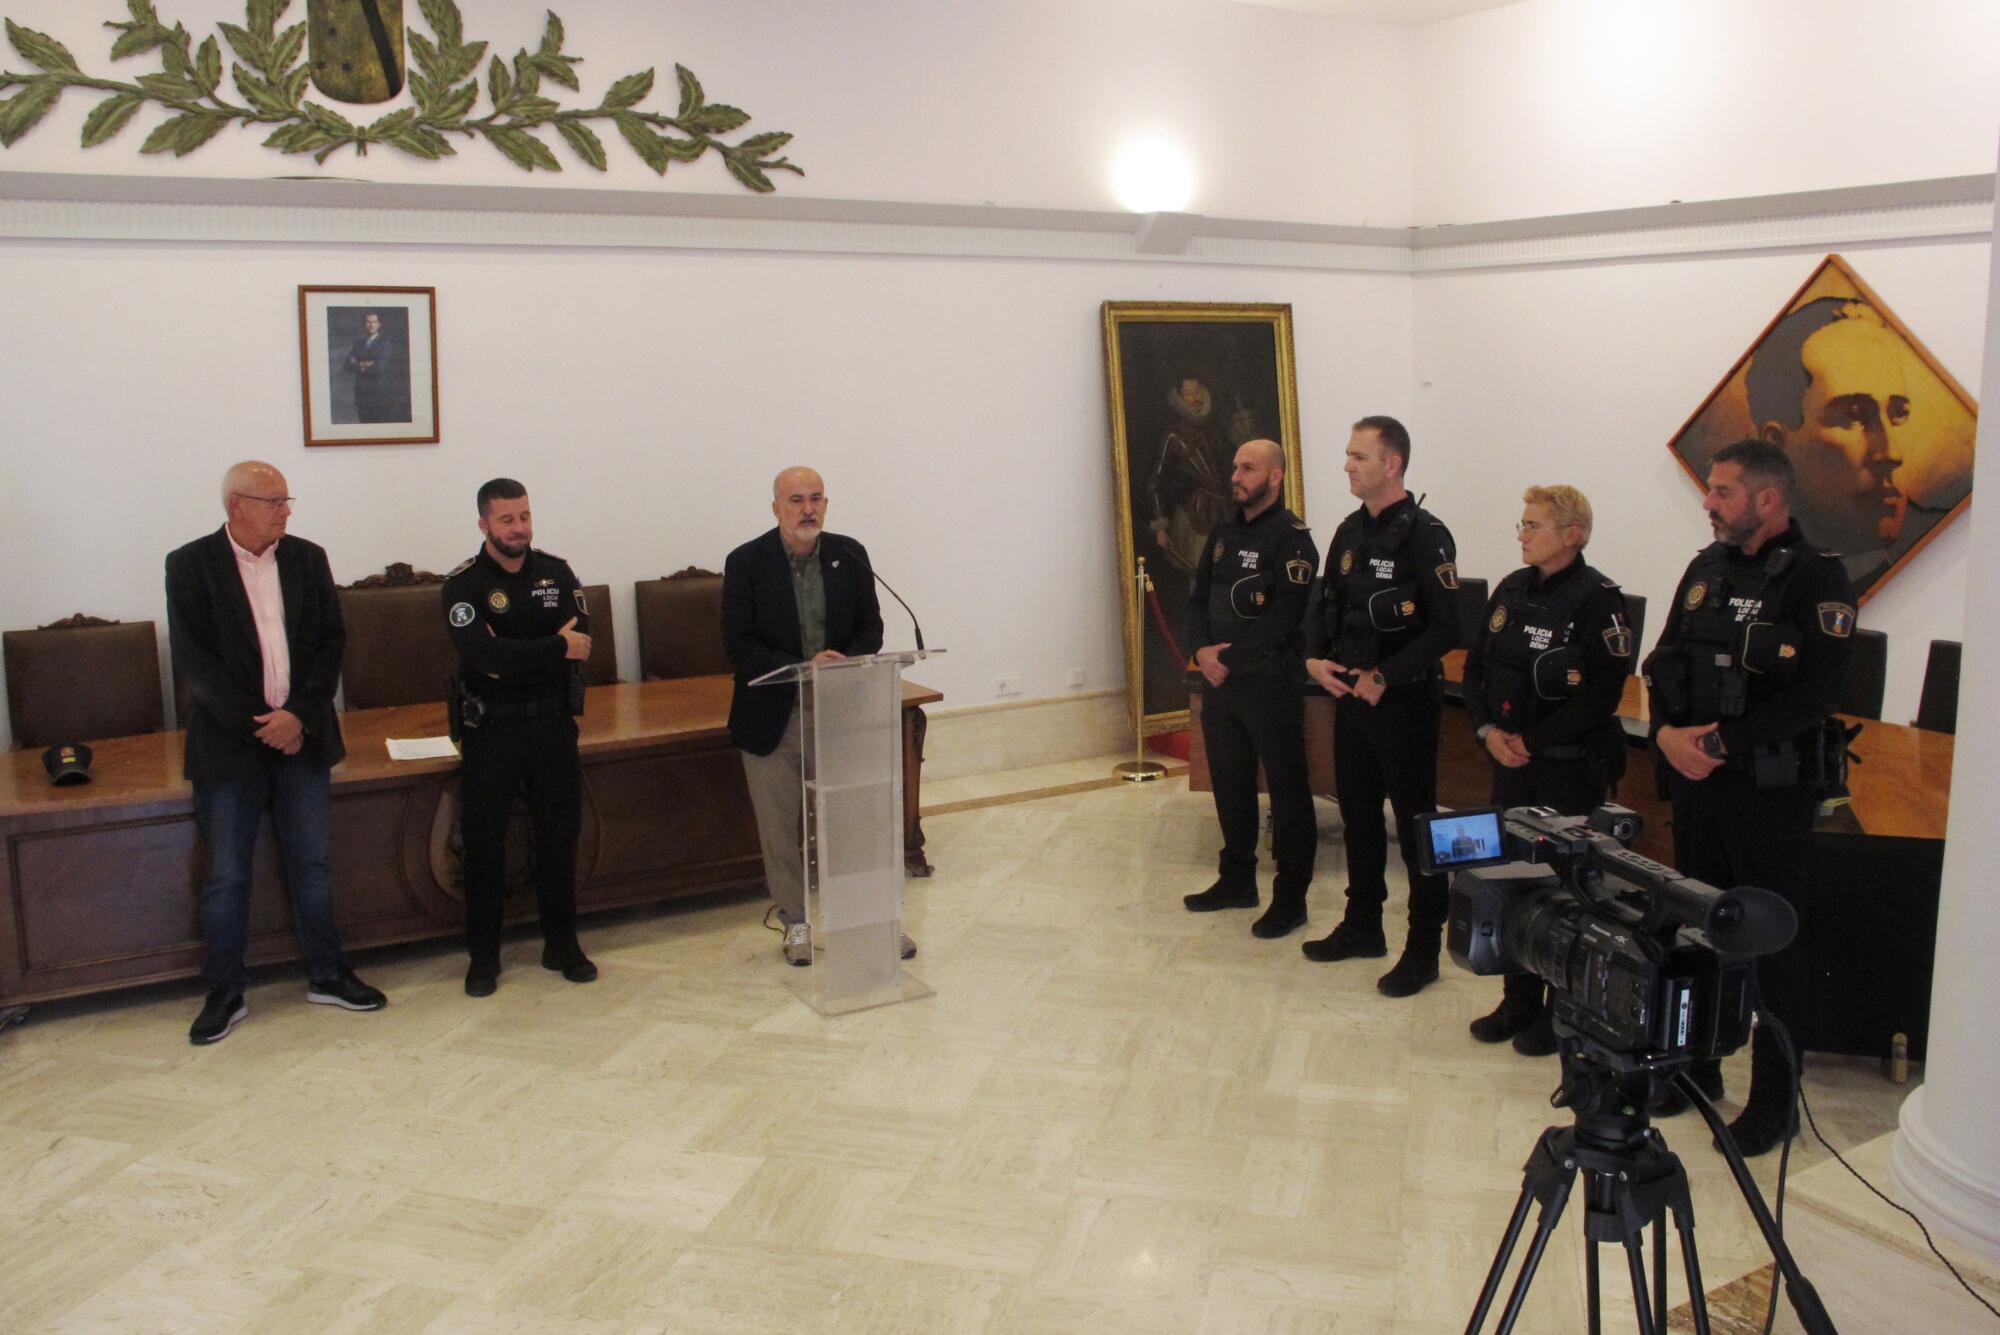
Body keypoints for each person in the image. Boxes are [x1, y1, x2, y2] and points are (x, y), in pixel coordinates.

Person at [1644, 438, 1857, 1156]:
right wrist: (1666, 734)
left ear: (1767, 499)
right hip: (1698, 785)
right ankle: (1696, 1068)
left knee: (1772, 949)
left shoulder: (1817, 578)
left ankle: (1774, 1102)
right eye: (1710, 488)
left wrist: (1718, 743)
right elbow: (1662, 660)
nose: (1708, 502)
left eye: (1723, 491)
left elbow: (1819, 693)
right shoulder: (1706, 567)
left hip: (1768, 795)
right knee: (1698, 931)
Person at [165, 461, 387, 1044]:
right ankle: (225, 989)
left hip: (303, 739)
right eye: (275, 501)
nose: (286, 511)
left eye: (288, 501)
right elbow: (196, 663)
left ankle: (327, 973)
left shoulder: (308, 559)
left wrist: (298, 717)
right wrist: (261, 725)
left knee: (312, 863)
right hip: (228, 749)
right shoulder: (189, 565)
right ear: (237, 505)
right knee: (226, 874)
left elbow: (330, 643)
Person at [1462, 485, 1632, 1054]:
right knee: (1510, 881)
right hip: (1511, 763)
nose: (1522, 534)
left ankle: (1562, 1011)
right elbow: (1475, 670)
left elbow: (1602, 697)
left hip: (1567, 769)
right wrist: (1488, 732)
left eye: (1533, 526)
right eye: (1523, 524)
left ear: (1572, 535)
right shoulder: (1513, 588)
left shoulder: (1599, 601)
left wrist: (1530, 741)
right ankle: (1517, 1000)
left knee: (1563, 891)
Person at [723, 467, 913, 966]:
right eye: (796, 500)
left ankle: (868, 920)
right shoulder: (746, 562)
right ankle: (796, 923)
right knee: (780, 829)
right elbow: (738, 643)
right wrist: (803, 666)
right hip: (773, 714)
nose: (807, 509)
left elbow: (871, 626)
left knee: (853, 822)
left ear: (826, 504)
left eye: (816, 499)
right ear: (776, 508)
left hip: (840, 708)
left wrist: (840, 662)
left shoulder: (850, 554)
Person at [1302, 415, 1461, 996]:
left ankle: (1423, 948)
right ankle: (1362, 924)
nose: (1347, 465)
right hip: (1351, 697)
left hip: (1405, 701)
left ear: (1392, 464)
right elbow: (1325, 604)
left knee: (1417, 827)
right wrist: (1315, 659)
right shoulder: (1349, 531)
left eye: (1359, 456)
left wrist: (1387, 675)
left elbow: (1448, 627)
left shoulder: (1426, 535)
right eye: (1348, 455)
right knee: (1359, 816)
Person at [440, 478, 596, 997]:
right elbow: (484, 658)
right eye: (507, 519)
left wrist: (518, 654)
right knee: (484, 847)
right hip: (492, 728)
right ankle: (484, 958)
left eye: (524, 516)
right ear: (484, 524)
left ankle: (562, 945)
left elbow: (582, 644)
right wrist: (553, 645)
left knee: (559, 838)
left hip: (552, 724)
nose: (519, 528)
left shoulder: (557, 572)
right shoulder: (463, 585)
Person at [1182, 439, 1319, 938]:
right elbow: (1197, 599)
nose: (1235, 476)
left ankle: (1291, 899)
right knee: (1230, 782)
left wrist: (1225, 659)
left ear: (1275, 477)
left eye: (1248, 468)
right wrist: (1201, 652)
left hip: (1269, 683)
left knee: (1287, 791)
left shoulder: (1293, 540)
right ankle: (1236, 880)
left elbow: (1284, 620)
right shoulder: (1223, 532)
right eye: (1235, 467)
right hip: (1222, 684)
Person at [1745, 296, 1968, 591]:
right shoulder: (1739, 565)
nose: (1892, 453)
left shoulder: (1948, 571)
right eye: (1853, 416)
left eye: (1898, 413)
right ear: (1777, 450)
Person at [344, 311, 407, 423]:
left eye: (374, 322)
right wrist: (365, 364)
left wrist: (358, 364)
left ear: (379, 324)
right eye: (368, 322)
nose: (371, 325)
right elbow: (347, 365)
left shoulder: (385, 343)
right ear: (364, 324)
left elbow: (379, 368)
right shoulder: (358, 344)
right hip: (362, 394)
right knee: (364, 427)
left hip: (378, 395)